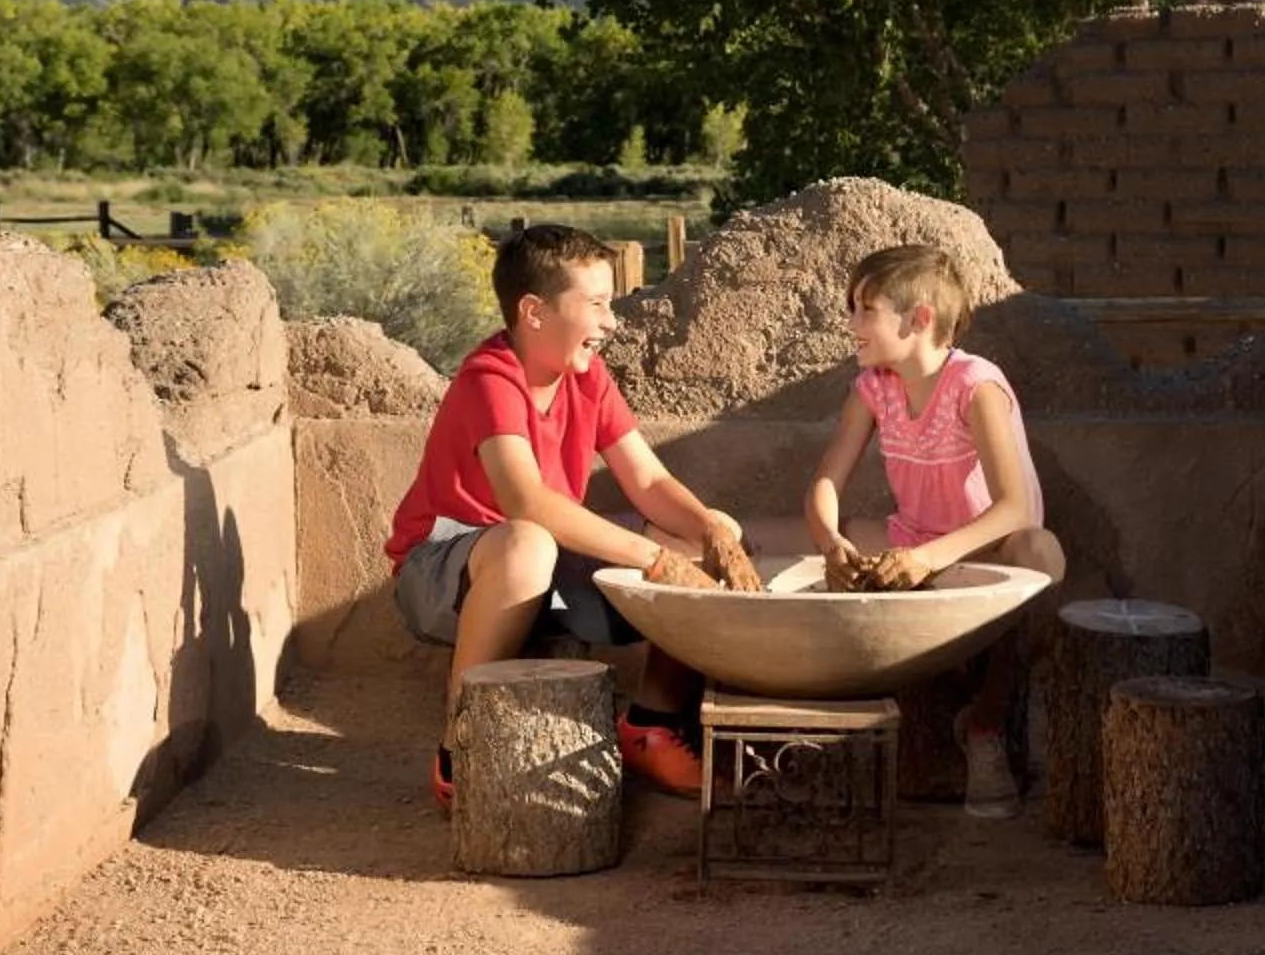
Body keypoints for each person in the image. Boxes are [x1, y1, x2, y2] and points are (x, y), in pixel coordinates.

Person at [387, 223, 762, 811]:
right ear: (534, 312)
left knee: (705, 531)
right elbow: (527, 504)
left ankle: (651, 726)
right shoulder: (490, 379)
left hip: (540, 566)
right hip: (443, 572)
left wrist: (712, 533)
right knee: (529, 544)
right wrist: (655, 560)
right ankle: (461, 743)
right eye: (596, 304)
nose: (611, 322)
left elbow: (649, 481)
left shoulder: (587, 378)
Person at [803, 243, 1066, 817]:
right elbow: (825, 484)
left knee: (1039, 554)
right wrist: (831, 542)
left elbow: (1016, 506)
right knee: (831, 536)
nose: (851, 325)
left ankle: (986, 726)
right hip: (913, 539)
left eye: (864, 310)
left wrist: (929, 559)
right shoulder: (874, 387)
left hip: (984, 550)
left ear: (919, 319)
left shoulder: (976, 384)